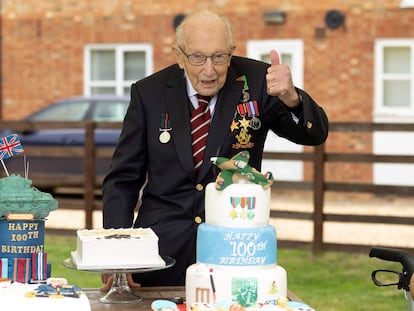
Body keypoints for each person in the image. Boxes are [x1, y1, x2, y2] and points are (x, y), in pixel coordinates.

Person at [101, 9, 328, 288]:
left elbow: (314, 135)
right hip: (160, 251)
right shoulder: (149, 93)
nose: (209, 70)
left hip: (233, 252)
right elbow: (122, 180)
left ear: (231, 52)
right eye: (198, 57)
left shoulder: (258, 81)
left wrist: (292, 98)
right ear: (179, 56)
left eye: (219, 57)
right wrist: (115, 255)